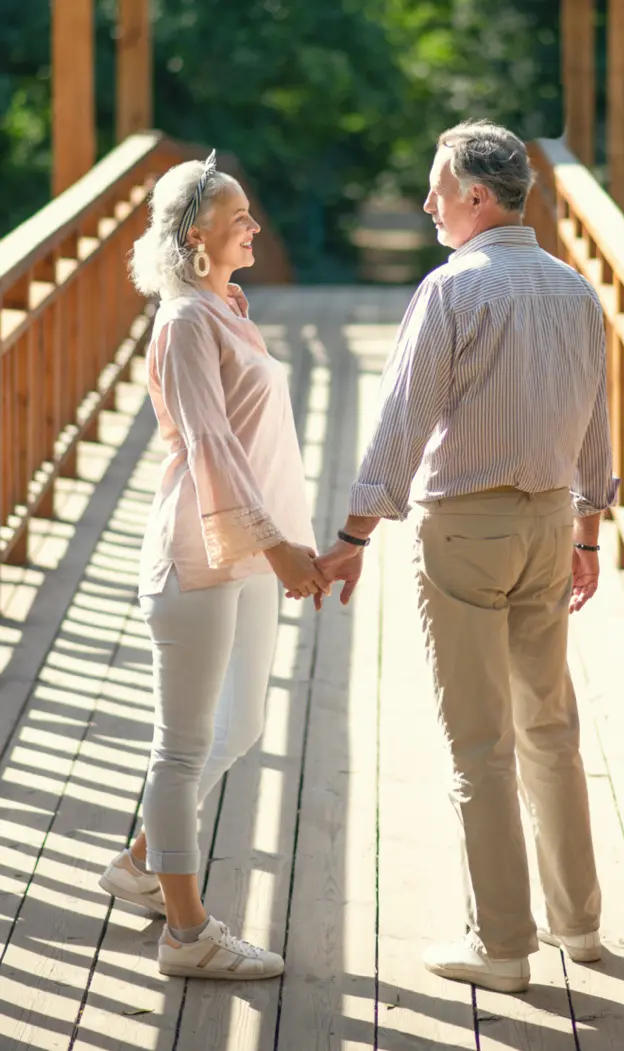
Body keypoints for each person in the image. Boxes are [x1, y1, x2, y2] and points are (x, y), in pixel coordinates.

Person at [312, 120, 618, 994]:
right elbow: (597, 423)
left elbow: (403, 426)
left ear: (476, 197)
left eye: (438, 190)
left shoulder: (452, 290)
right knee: (550, 729)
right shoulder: (574, 290)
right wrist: (590, 531)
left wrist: (352, 538)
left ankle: (503, 945)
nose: (427, 205)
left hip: (466, 531)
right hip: (552, 524)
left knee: (480, 743)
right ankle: (580, 923)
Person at [98, 150, 328, 980]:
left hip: (253, 555)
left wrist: (278, 550)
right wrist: (280, 547)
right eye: (240, 219)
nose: (255, 227)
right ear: (198, 234)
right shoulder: (186, 321)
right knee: (186, 746)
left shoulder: (227, 306)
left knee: (242, 728)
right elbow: (209, 445)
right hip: (201, 553)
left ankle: (139, 865)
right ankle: (187, 933)